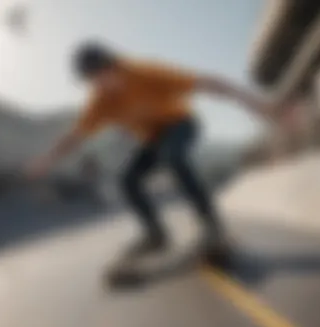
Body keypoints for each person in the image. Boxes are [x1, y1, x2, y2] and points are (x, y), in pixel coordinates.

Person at [27, 41, 279, 262]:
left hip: (181, 124)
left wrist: (257, 104)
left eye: (102, 77)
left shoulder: (145, 72)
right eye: (92, 82)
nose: (100, 86)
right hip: (153, 139)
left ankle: (211, 226)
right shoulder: (99, 102)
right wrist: (48, 159)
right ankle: (156, 235)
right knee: (127, 180)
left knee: (172, 156)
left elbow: (208, 83)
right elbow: (76, 135)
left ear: (112, 65)